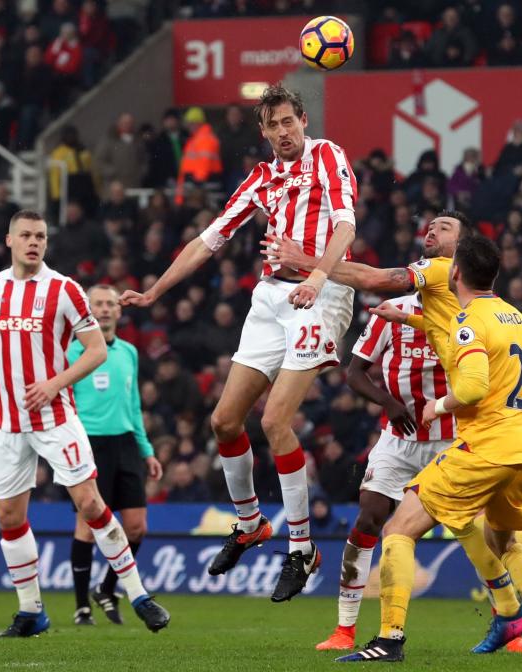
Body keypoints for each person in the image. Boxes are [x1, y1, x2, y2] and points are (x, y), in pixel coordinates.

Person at [267, 211, 522, 657]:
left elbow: (377, 279)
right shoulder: (511, 318)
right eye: (430, 226)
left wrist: (310, 263)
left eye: (445, 228)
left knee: (407, 530)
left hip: (463, 434)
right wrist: (407, 323)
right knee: (500, 533)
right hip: (481, 441)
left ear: (460, 262)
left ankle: (393, 638)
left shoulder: (447, 288)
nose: (432, 231)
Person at [120, 85, 357, 603]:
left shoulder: (328, 155)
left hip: (321, 293)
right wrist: (156, 289)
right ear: (264, 131)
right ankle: (250, 525)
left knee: (274, 420)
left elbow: (345, 225)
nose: (282, 133)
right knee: (225, 421)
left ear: (302, 119)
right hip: (271, 297)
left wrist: (317, 276)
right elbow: (209, 240)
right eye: (272, 126)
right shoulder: (261, 176)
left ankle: (302, 549)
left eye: (288, 122)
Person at [0, 210, 168, 637]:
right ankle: (31, 612)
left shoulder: (65, 290)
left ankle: (139, 596)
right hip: (8, 421)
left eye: (40, 236)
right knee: (8, 515)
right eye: (26, 235)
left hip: (56, 418)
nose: (34, 242)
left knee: (92, 505)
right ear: (9, 240)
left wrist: (54, 384)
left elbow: (95, 350)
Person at [315, 293, 455, 651]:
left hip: (450, 440)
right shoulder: (395, 311)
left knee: (479, 527)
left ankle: (512, 621)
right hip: (399, 437)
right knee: (368, 518)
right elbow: (354, 372)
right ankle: (344, 630)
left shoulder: (465, 311)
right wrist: (389, 403)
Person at [68, 285, 164, 626]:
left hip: (125, 444)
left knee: (136, 527)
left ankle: (107, 588)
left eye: (111, 304)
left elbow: (133, 405)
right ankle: (81, 608)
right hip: (88, 444)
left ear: (120, 311)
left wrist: (147, 451)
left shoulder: (129, 352)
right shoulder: (71, 352)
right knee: (87, 523)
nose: (106, 309)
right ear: (88, 310)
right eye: (99, 304)